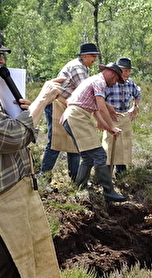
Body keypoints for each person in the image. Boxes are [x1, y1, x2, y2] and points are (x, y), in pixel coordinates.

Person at [0, 43, 65, 278]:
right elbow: (13, 137)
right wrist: (42, 100)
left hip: (12, 201)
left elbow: (16, 131)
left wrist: (28, 112)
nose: (2, 60)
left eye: (3, 54)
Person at [61, 62, 127, 202]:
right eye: (116, 79)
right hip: (77, 117)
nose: (115, 83)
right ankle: (108, 191)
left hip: (74, 117)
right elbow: (102, 108)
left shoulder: (93, 81)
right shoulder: (99, 81)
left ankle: (80, 186)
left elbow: (96, 112)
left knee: (88, 157)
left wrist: (109, 128)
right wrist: (112, 127)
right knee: (100, 155)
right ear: (111, 73)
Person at [40, 43, 100, 187]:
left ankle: (75, 179)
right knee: (55, 143)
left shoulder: (83, 67)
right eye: (93, 56)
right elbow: (86, 91)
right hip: (57, 104)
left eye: (96, 56)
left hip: (67, 105)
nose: (95, 59)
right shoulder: (78, 68)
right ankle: (43, 180)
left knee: (74, 143)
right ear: (84, 56)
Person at [102, 57, 141, 177]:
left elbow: (138, 94)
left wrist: (135, 107)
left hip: (125, 116)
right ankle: (106, 173)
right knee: (110, 144)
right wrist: (107, 108)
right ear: (118, 70)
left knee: (124, 143)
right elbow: (99, 99)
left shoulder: (130, 83)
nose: (127, 73)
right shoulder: (109, 83)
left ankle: (121, 172)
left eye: (129, 71)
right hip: (111, 117)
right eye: (124, 70)